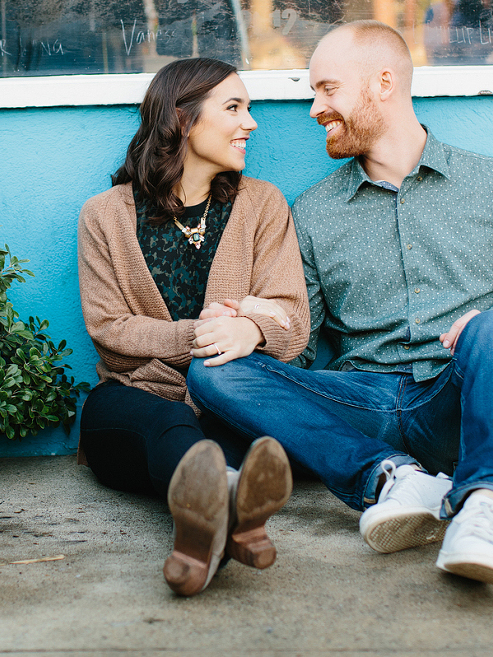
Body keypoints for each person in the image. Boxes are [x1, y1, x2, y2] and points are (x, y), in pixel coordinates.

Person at [188, 21, 493, 587]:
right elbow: (298, 351)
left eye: (328, 88)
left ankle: (487, 510)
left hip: (456, 400)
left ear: (383, 83)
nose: (315, 108)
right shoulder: (315, 211)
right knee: (214, 372)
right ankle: (391, 477)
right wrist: (258, 325)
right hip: (360, 406)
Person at [76, 57, 310, 596]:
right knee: (162, 425)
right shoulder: (104, 215)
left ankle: (202, 528)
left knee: (229, 434)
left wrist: (251, 331)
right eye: (234, 108)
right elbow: (110, 331)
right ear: (183, 120)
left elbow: (292, 320)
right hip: (135, 400)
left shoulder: (263, 205)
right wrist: (199, 337)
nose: (250, 122)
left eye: (248, 108)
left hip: (232, 402)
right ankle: (233, 505)